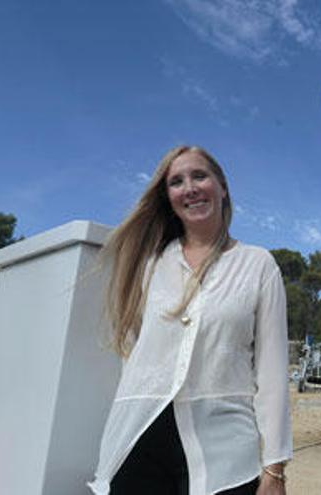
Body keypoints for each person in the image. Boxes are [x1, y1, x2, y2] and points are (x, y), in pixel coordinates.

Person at [88, 145, 291, 495]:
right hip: (140, 439)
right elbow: (138, 350)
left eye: (200, 176)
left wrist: (274, 471)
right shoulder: (150, 265)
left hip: (225, 450)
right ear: (168, 198)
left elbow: (272, 373)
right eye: (177, 182)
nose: (190, 187)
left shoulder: (258, 264)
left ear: (222, 187)